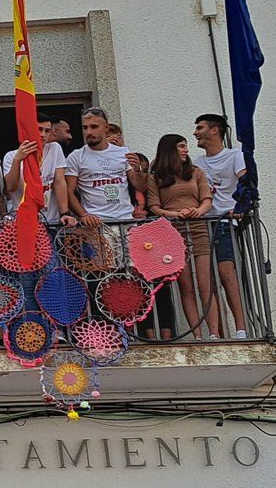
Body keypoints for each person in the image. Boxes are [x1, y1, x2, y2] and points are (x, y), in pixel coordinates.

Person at [148, 134, 215, 339]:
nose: (186, 150)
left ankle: (214, 333)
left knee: (205, 283)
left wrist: (198, 211)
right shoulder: (156, 176)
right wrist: (175, 214)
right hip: (173, 232)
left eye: (185, 146)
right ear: (169, 149)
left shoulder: (196, 172)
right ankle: (197, 335)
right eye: (181, 146)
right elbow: (154, 207)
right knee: (185, 286)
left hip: (198, 227)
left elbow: (207, 200)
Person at [193, 113, 250, 338]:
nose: (195, 132)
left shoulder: (235, 156)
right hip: (203, 224)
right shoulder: (197, 162)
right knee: (207, 280)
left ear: (214, 130)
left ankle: (240, 327)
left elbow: (246, 182)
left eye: (200, 128)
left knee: (227, 274)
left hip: (226, 222)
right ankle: (218, 332)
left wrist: (241, 208)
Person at [61, 108, 140, 227]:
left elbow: (139, 186)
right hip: (96, 223)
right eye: (85, 127)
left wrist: (138, 170)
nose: (88, 132)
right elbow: (68, 191)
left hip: (126, 219)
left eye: (94, 127)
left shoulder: (123, 152)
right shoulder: (76, 156)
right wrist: (84, 215)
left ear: (106, 128)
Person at [2, 120, 68, 220]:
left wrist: (64, 213)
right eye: (39, 129)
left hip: (50, 221)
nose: (43, 134)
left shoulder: (55, 148)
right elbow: (11, 187)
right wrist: (17, 160)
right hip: (23, 219)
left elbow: (59, 182)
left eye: (47, 131)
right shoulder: (11, 156)